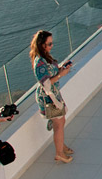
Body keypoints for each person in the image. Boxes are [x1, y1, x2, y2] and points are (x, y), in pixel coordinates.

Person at [30, 30, 74, 164]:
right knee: (59, 123)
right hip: (49, 98)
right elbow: (45, 83)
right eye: (49, 44)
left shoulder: (45, 58)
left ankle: (61, 146)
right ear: (42, 45)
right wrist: (61, 74)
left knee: (61, 122)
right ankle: (59, 153)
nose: (51, 46)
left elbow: (51, 74)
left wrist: (61, 69)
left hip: (54, 95)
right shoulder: (40, 63)